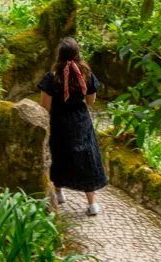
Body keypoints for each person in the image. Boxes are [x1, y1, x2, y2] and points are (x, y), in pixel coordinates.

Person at [38, 37, 108, 216]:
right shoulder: (86, 74)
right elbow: (91, 101)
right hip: (80, 122)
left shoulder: (52, 77)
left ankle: (59, 193)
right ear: (77, 54)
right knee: (86, 158)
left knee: (58, 155)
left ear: (59, 55)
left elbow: (45, 105)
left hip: (59, 122)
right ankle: (92, 204)